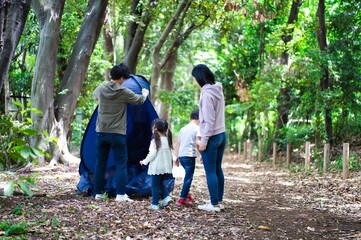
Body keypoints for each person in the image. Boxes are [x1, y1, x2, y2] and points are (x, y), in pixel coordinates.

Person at [93, 63, 149, 202]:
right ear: (122, 77)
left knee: (100, 163)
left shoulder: (101, 87)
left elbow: (95, 97)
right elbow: (139, 101)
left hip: (101, 132)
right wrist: (145, 93)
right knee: (121, 163)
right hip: (117, 134)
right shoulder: (123, 92)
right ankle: (121, 195)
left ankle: (98, 193)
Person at [191, 64, 226, 212]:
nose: (193, 81)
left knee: (210, 171)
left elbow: (208, 120)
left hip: (211, 136)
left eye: (194, 78)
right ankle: (218, 201)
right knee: (217, 169)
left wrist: (203, 141)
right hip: (221, 134)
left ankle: (214, 204)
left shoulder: (206, 94)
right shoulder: (217, 90)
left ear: (199, 78)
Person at [140, 119, 174, 210]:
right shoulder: (167, 140)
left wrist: (144, 161)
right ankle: (166, 197)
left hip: (158, 168)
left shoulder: (155, 141)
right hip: (166, 167)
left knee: (154, 185)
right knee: (160, 183)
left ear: (154, 129)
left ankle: (155, 204)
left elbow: (152, 154)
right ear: (166, 129)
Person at [174, 109, 200, 207]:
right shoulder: (197, 128)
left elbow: (178, 143)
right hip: (189, 156)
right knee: (189, 177)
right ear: (199, 118)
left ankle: (187, 194)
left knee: (187, 176)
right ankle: (182, 199)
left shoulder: (183, 129)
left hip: (182, 156)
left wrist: (176, 157)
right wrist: (202, 155)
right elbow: (197, 143)